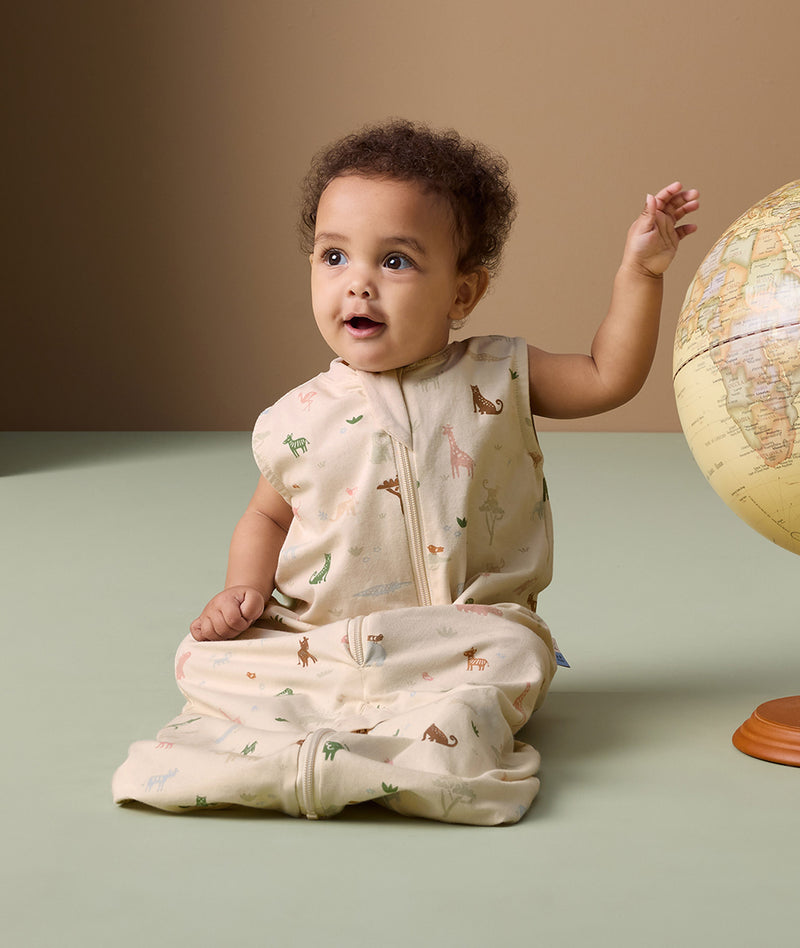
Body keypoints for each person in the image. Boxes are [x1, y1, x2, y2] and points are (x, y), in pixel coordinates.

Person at [113, 120, 698, 824]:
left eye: (395, 261)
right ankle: (323, 747)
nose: (358, 282)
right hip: (319, 642)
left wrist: (639, 273)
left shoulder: (500, 372)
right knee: (198, 659)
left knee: (516, 652)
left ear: (462, 293)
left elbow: (609, 377)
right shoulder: (296, 416)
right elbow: (266, 515)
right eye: (334, 256)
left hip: (456, 640)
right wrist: (242, 590)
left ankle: (389, 750)